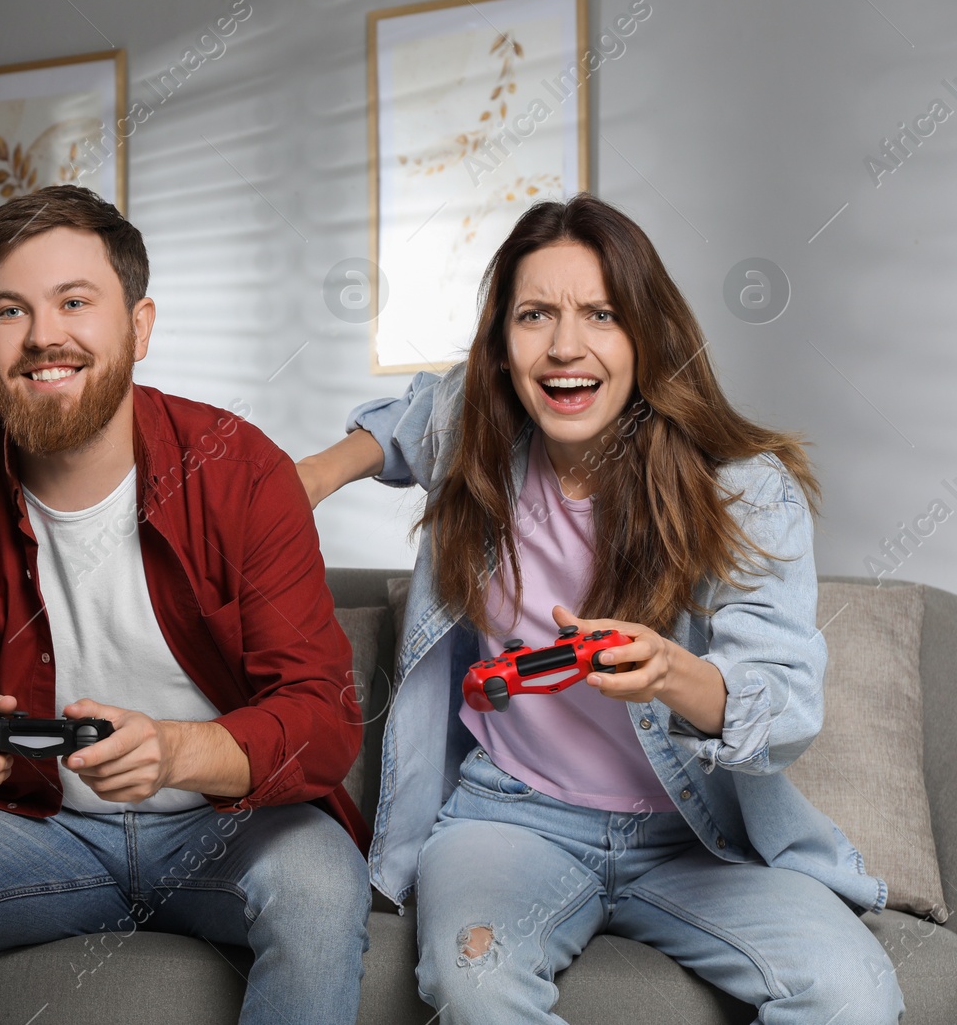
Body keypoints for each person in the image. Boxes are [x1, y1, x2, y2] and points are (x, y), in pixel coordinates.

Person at [297, 193, 903, 1023]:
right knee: (475, 981)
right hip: (509, 819)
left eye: (601, 315)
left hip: (693, 838)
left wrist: (675, 675)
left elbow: (786, 700)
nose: (565, 346)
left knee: (853, 993)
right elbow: (414, 416)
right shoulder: (477, 436)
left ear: (646, 337)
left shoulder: (745, 491)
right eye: (535, 315)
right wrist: (310, 479)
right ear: (503, 349)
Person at [0, 184, 371, 1025]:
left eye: (74, 302)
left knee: (320, 884)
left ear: (139, 326)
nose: (44, 335)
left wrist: (177, 752)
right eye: (10, 310)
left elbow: (324, 720)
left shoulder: (244, 472)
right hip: (39, 828)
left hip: (228, 829)